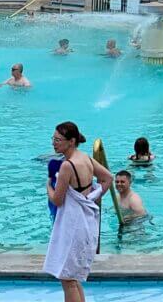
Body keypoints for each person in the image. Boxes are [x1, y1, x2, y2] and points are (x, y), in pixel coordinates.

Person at [43, 121, 113, 302]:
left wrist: (48, 187)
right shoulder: (85, 158)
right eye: (53, 138)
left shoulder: (67, 166)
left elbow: (57, 200)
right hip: (86, 223)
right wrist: (90, 199)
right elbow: (107, 178)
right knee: (72, 277)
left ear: (71, 141)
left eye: (58, 139)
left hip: (73, 225)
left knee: (67, 279)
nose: (54, 143)